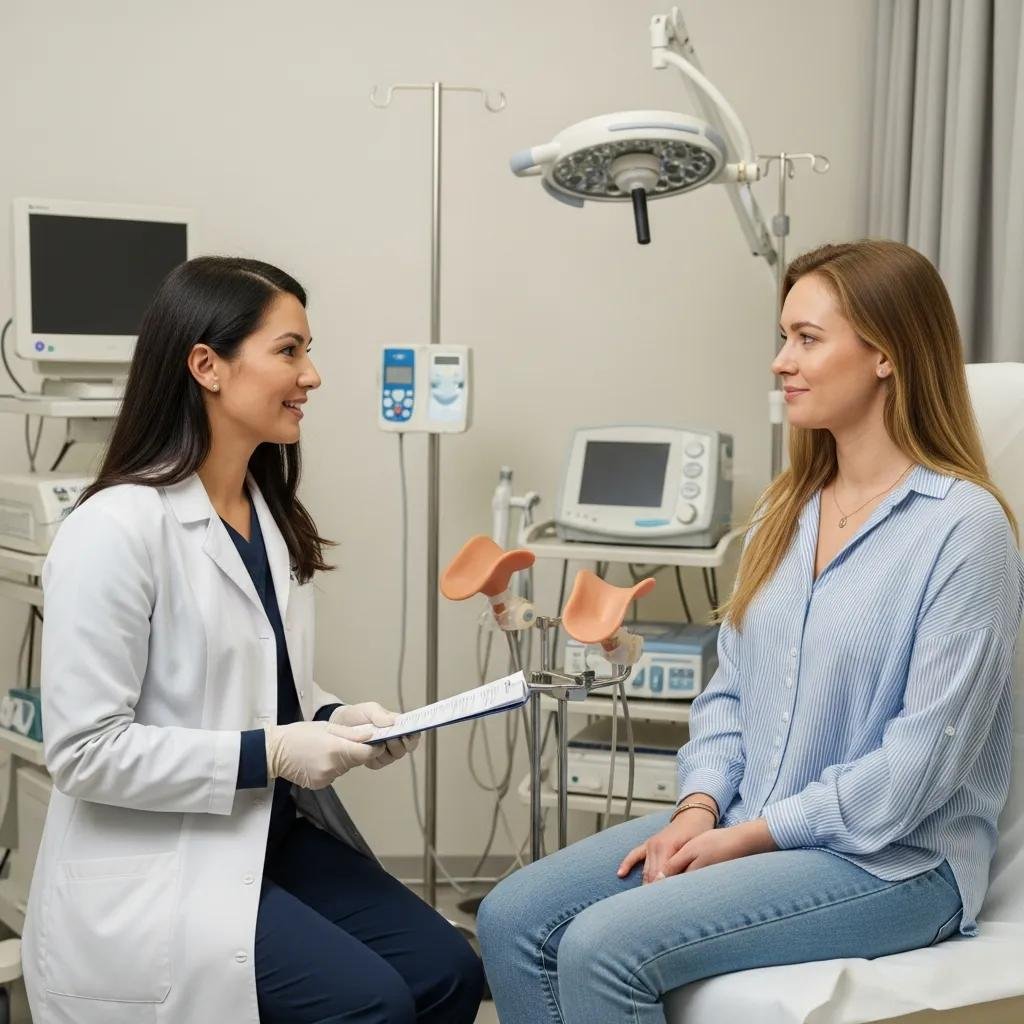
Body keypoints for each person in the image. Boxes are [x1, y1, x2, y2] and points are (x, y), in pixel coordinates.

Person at [477, 239, 1024, 1024]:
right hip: (751, 816)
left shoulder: (964, 530)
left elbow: (916, 772)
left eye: (807, 339)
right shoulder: (785, 511)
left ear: (886, 354)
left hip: (894, 864)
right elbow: (729, 692)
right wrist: (700, 806)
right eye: (783, 337)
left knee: (602, 948)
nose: (780, 362)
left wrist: (755, 836)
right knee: (511, 918)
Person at [21, 256, 484, 1024]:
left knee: (447, 972)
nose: (313, 376)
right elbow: (83, 751)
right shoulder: (116, 528)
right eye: (290, 350)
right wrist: (267, 752)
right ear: (207, 365)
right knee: (370, 1006)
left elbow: (260, 686)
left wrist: (335, 720)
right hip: (160, 862)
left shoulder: (263, 513)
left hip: (265, 834)